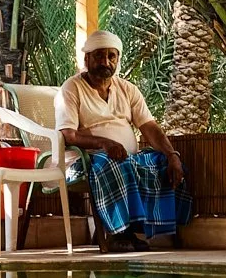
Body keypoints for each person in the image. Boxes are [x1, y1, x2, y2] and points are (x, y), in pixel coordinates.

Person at [55, 31, 192, 251]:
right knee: (118, 165)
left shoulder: (128, 89)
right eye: (99, 56)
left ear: (118, 59)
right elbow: (68, 135)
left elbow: (150, 127)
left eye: (112, 56)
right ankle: (121, 233)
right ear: (86, 59)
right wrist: (104, 143)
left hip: (126, 157)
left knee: (164, 164)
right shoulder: (72, 88)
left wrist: (171, 154)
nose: (106, 62)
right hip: (86, 160)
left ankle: (156, 229)